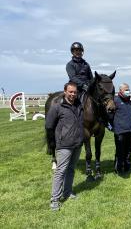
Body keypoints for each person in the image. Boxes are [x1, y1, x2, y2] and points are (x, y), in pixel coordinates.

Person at [45, 82, 83, 211]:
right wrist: (58, 138)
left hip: (77, 143)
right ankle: (54, 199)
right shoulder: (57, 106)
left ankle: (67, 192)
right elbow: (49, 125)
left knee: (71, 169)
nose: (73, 94)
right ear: (65, 91)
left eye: (75, 92)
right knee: (60, 171)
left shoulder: (78, 105)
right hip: (64, 145)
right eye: (70, 92)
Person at [111, 83, 131, 174]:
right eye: (126, 89)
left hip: (129, 130)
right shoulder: (115, 100)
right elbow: (110, 115)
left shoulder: (129, 101)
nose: (128, 91)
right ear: (121, 90)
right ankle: (118, 169)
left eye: (128, 89)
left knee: (129, 150)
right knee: (120, 151)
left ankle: (127, 167)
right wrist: (112, 126)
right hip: (119, 131)